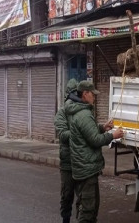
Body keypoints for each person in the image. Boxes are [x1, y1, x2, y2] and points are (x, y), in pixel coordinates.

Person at [67, 80, 124, 222]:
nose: (95, 97)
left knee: (88, 207)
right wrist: (113, 135)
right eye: (93, 94)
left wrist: (102, 127)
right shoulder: (84, 115)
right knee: (88, 210)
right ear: (85, 94)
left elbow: (87, 131)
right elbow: (95, 140)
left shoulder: (79, 111)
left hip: (83, 168)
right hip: (86, 169)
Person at [54, 78, 79, 223]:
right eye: (74, 93)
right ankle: (66, 220)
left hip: (81, 161)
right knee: (67, 194)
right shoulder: (62, 113)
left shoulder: (81, 111)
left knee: (83, 197)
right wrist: (78, 132)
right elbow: (63, 135)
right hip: (67, 162)